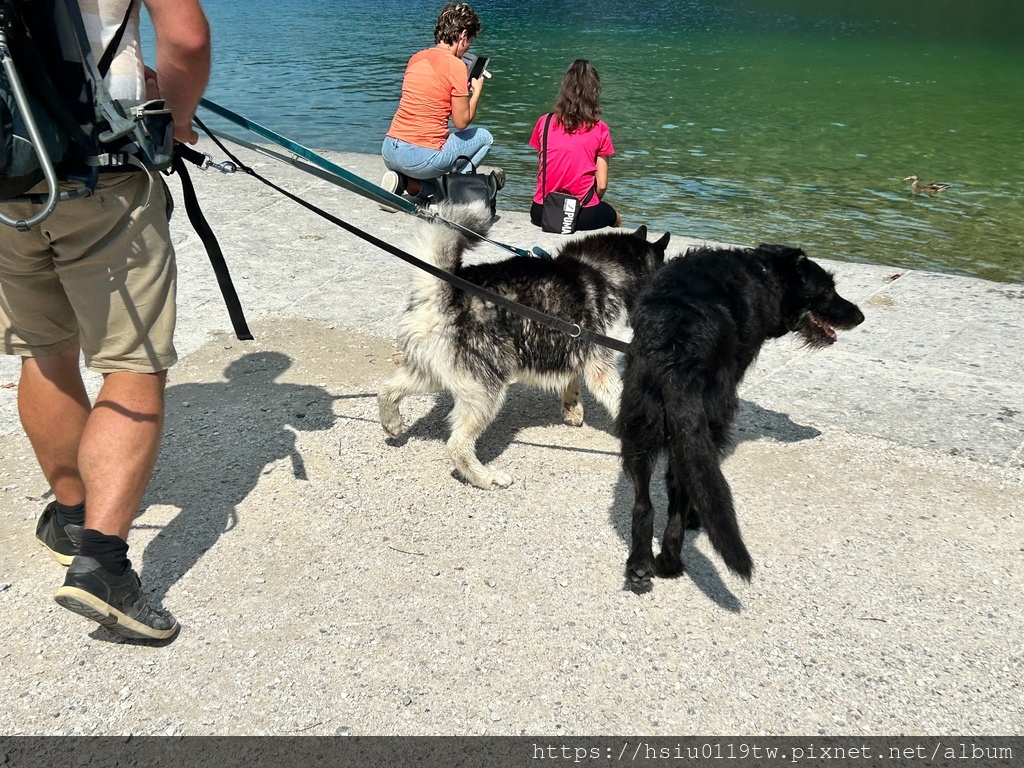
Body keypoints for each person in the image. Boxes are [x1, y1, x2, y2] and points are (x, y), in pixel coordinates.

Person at [0, 0, 211, 641]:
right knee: (133, 364)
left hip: (7, 177)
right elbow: (187, 39)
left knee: (45, 350)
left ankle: (69, 514)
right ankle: (103, 565)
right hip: (102, 170)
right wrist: (175, 119)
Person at [380, 2, 502, 202]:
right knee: (485, 138)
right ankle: (452, 194)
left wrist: (459, 90)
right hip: (419, 158)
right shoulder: (456, 66)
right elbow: (462, 122)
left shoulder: (416, 58)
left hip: (390, 150)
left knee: (434, 155)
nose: (468, 46)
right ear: (462, 35)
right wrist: (476, 92)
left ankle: (407, 183)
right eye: (470, 40)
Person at [529, 59, 621, 230]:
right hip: (582, 215)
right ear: (594, 92)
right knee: (615, 217)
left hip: (541, 212)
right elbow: (601, 185)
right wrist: (588, 205)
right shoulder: (600, 128)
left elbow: (546, 165)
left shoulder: (545, 122)